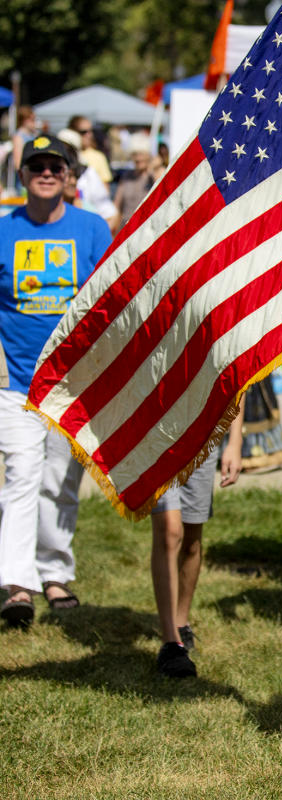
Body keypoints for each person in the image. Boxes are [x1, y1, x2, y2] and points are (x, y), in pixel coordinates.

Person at [0, 136, 113, 627]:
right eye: (36, 165)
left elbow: (112, 297)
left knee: (60, 482)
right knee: (21, 477)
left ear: (69, 176)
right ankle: (17, 585)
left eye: (55, 165)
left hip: (73, 384)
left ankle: (55, 573)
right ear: (22, 175)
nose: (46, 172)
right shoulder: (3, 231)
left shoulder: (92, 228)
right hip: (15, 382)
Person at [151, 415, 244, 678]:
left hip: (203, 430)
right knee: (170, 531)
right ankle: (170, 641)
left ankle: (181, 621)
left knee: (191, 540)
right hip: (156, 430)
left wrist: (234, 441)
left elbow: (235, 377)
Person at [114, 135, 155, 228]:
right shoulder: (126, 176)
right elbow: (117, 206)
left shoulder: (153, 176)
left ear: (148, 155)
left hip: (146, 226)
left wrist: (153, 169)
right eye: (135, 154)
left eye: (141, 154)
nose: (138, 158)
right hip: (126, 226)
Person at [68, 116, 113, 189]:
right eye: (84, 132)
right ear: (73, 132)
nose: (89, 135)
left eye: (91, 131)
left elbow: (105, 188)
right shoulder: (67, 154)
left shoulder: (98, 156)